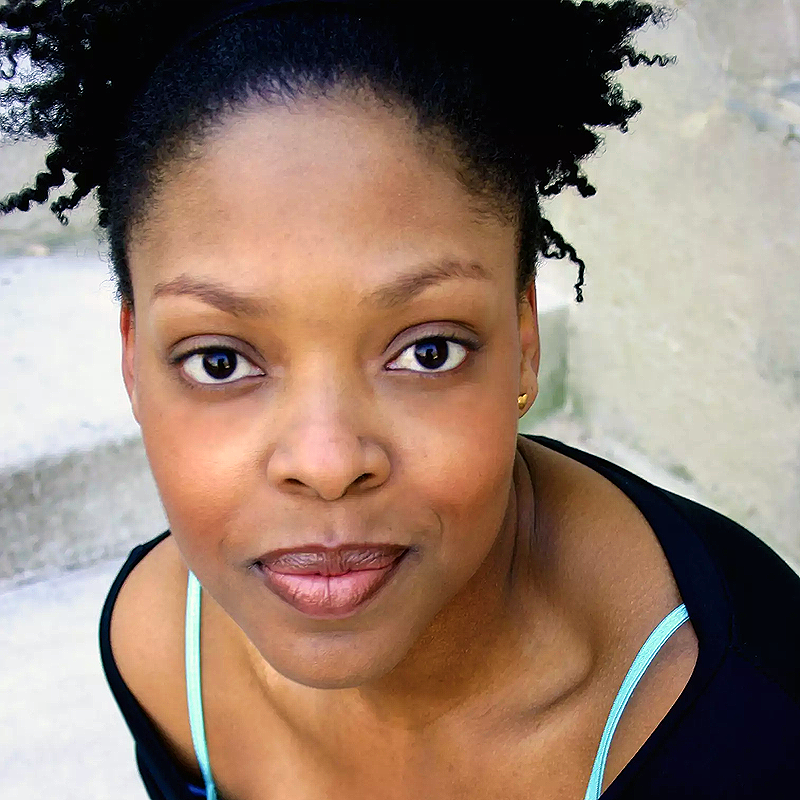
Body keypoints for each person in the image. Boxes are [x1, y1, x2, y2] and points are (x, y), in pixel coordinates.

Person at [2, 1, 799, 798]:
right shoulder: (158, 651)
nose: (326, 463)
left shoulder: (748, 728)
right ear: (132, 361)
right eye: (218, 360)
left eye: (427, 351)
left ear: (524, 341)